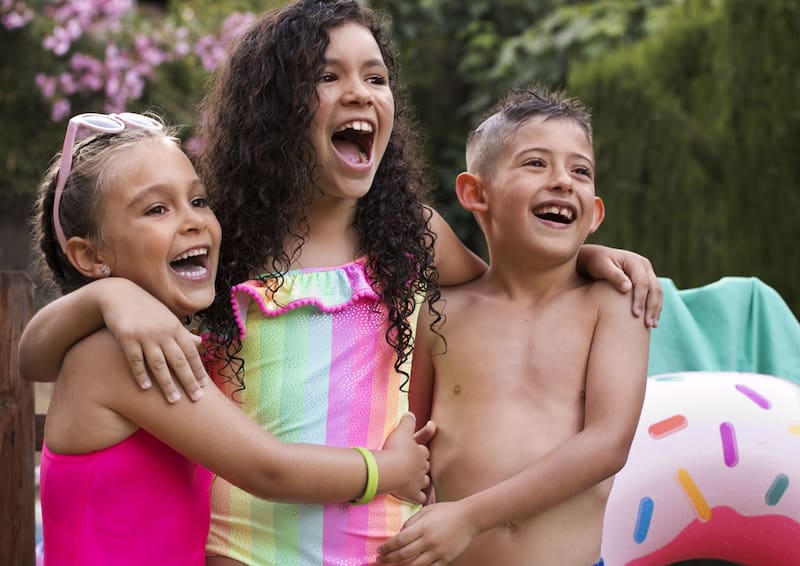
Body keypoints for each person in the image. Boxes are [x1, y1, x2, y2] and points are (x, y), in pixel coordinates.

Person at [19, 2, 661, 564]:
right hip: (244, 551)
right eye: (327, 76)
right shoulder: (227, 239)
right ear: (275, 109)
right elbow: (40, 357)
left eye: (375, 77)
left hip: (382, 550)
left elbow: (507, 288)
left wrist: (587, 258)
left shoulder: (415, 235)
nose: (360, 92)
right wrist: (109, 294)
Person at [30, 112, 432, 565]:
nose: (192, 221)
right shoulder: (116, 354)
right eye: (156, 209)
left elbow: (32, 358)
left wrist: (108, 293)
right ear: (90, 255)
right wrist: (391, 469)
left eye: (198, 201)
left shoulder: (158, 342)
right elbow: (268, 469)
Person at [377, 88, 651, 566]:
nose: (564, 181)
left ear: (595, 215)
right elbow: (412, 436)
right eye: (536, 164)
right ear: (475, 194)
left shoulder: (611, 300)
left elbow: (609, 444)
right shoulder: (442, 313)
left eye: (580, 171)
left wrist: (468, 517)